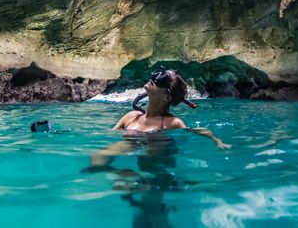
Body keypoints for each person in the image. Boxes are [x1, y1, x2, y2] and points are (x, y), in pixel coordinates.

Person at [88, 68, 230, 170]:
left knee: (151, 161)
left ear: (167, 97)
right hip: (133, 147)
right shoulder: (131, 116)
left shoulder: (172, 123)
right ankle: (121, 174)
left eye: (160, 81)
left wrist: (217, 140)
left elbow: (195, 131)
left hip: (155, 159)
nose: (153, 79)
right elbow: (109, 135)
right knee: (98, 157)